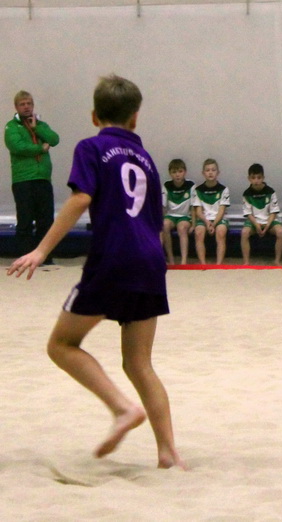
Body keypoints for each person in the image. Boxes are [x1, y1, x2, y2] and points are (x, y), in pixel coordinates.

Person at [6, 75, 184, 469]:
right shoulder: (146, 160)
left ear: (93, 116)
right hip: (150, 260)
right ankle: (169, 452)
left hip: (114, 257)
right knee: (139, 363)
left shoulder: (91, 147)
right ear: (135, 118)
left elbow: (81, 198)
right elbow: (156, 220)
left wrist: (40, 249)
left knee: (61, 345)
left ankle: (122, 409)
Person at [4, 90, 60, 262]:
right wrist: (40, 148)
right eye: (22, 104)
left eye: (29, 103)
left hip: (43, 178)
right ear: (16, 107)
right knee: (25, 220)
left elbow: (54, 139)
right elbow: (17, 147)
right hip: (23, 180)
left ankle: (45, 257)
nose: (26, 107)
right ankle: (24, 257)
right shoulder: (12, 127)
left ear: (33, 105)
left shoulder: (41, 124)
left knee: (46, 220)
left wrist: (37, 128)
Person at [241, 163, 282, 265]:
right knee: (244, 233)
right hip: (254, 221)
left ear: (263, 178)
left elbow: (273, 212)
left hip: (269, 221)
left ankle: (277, 261)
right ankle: (246, 262)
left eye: (259, 178)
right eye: (253, 178)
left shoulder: (270, 191)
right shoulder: (246, 193)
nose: (256, 180)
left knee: (280, 231)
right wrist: (257, 225)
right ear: (249, 179)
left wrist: (267, 225)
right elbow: (248, 214)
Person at [192, 158, 230, 265]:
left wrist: (213, 224)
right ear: (203, 173)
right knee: (198, 232)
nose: (210, 172)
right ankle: (203, 264)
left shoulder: (224, 189)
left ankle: (218, 264)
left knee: (221, 232)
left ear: (218, 172)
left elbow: (222, 211)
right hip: (204, 219)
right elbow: (198, 211)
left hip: (219, 219)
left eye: (213, 170)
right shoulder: (197, 190)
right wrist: (207, 222)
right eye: (207, 170)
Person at [161, 158, 195, 265]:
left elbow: (194, 207)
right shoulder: (166, 185)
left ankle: (183, 261)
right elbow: (163, 206)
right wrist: (160, 221)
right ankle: (171, 259)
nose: (177, 175)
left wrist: (193, 224)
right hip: (171, 216)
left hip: (184, 216)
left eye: (180, 171)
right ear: (170, 173)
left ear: (185, 172)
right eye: (174, 172)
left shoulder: (191, 185)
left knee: (182, 228)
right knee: (164, 225)